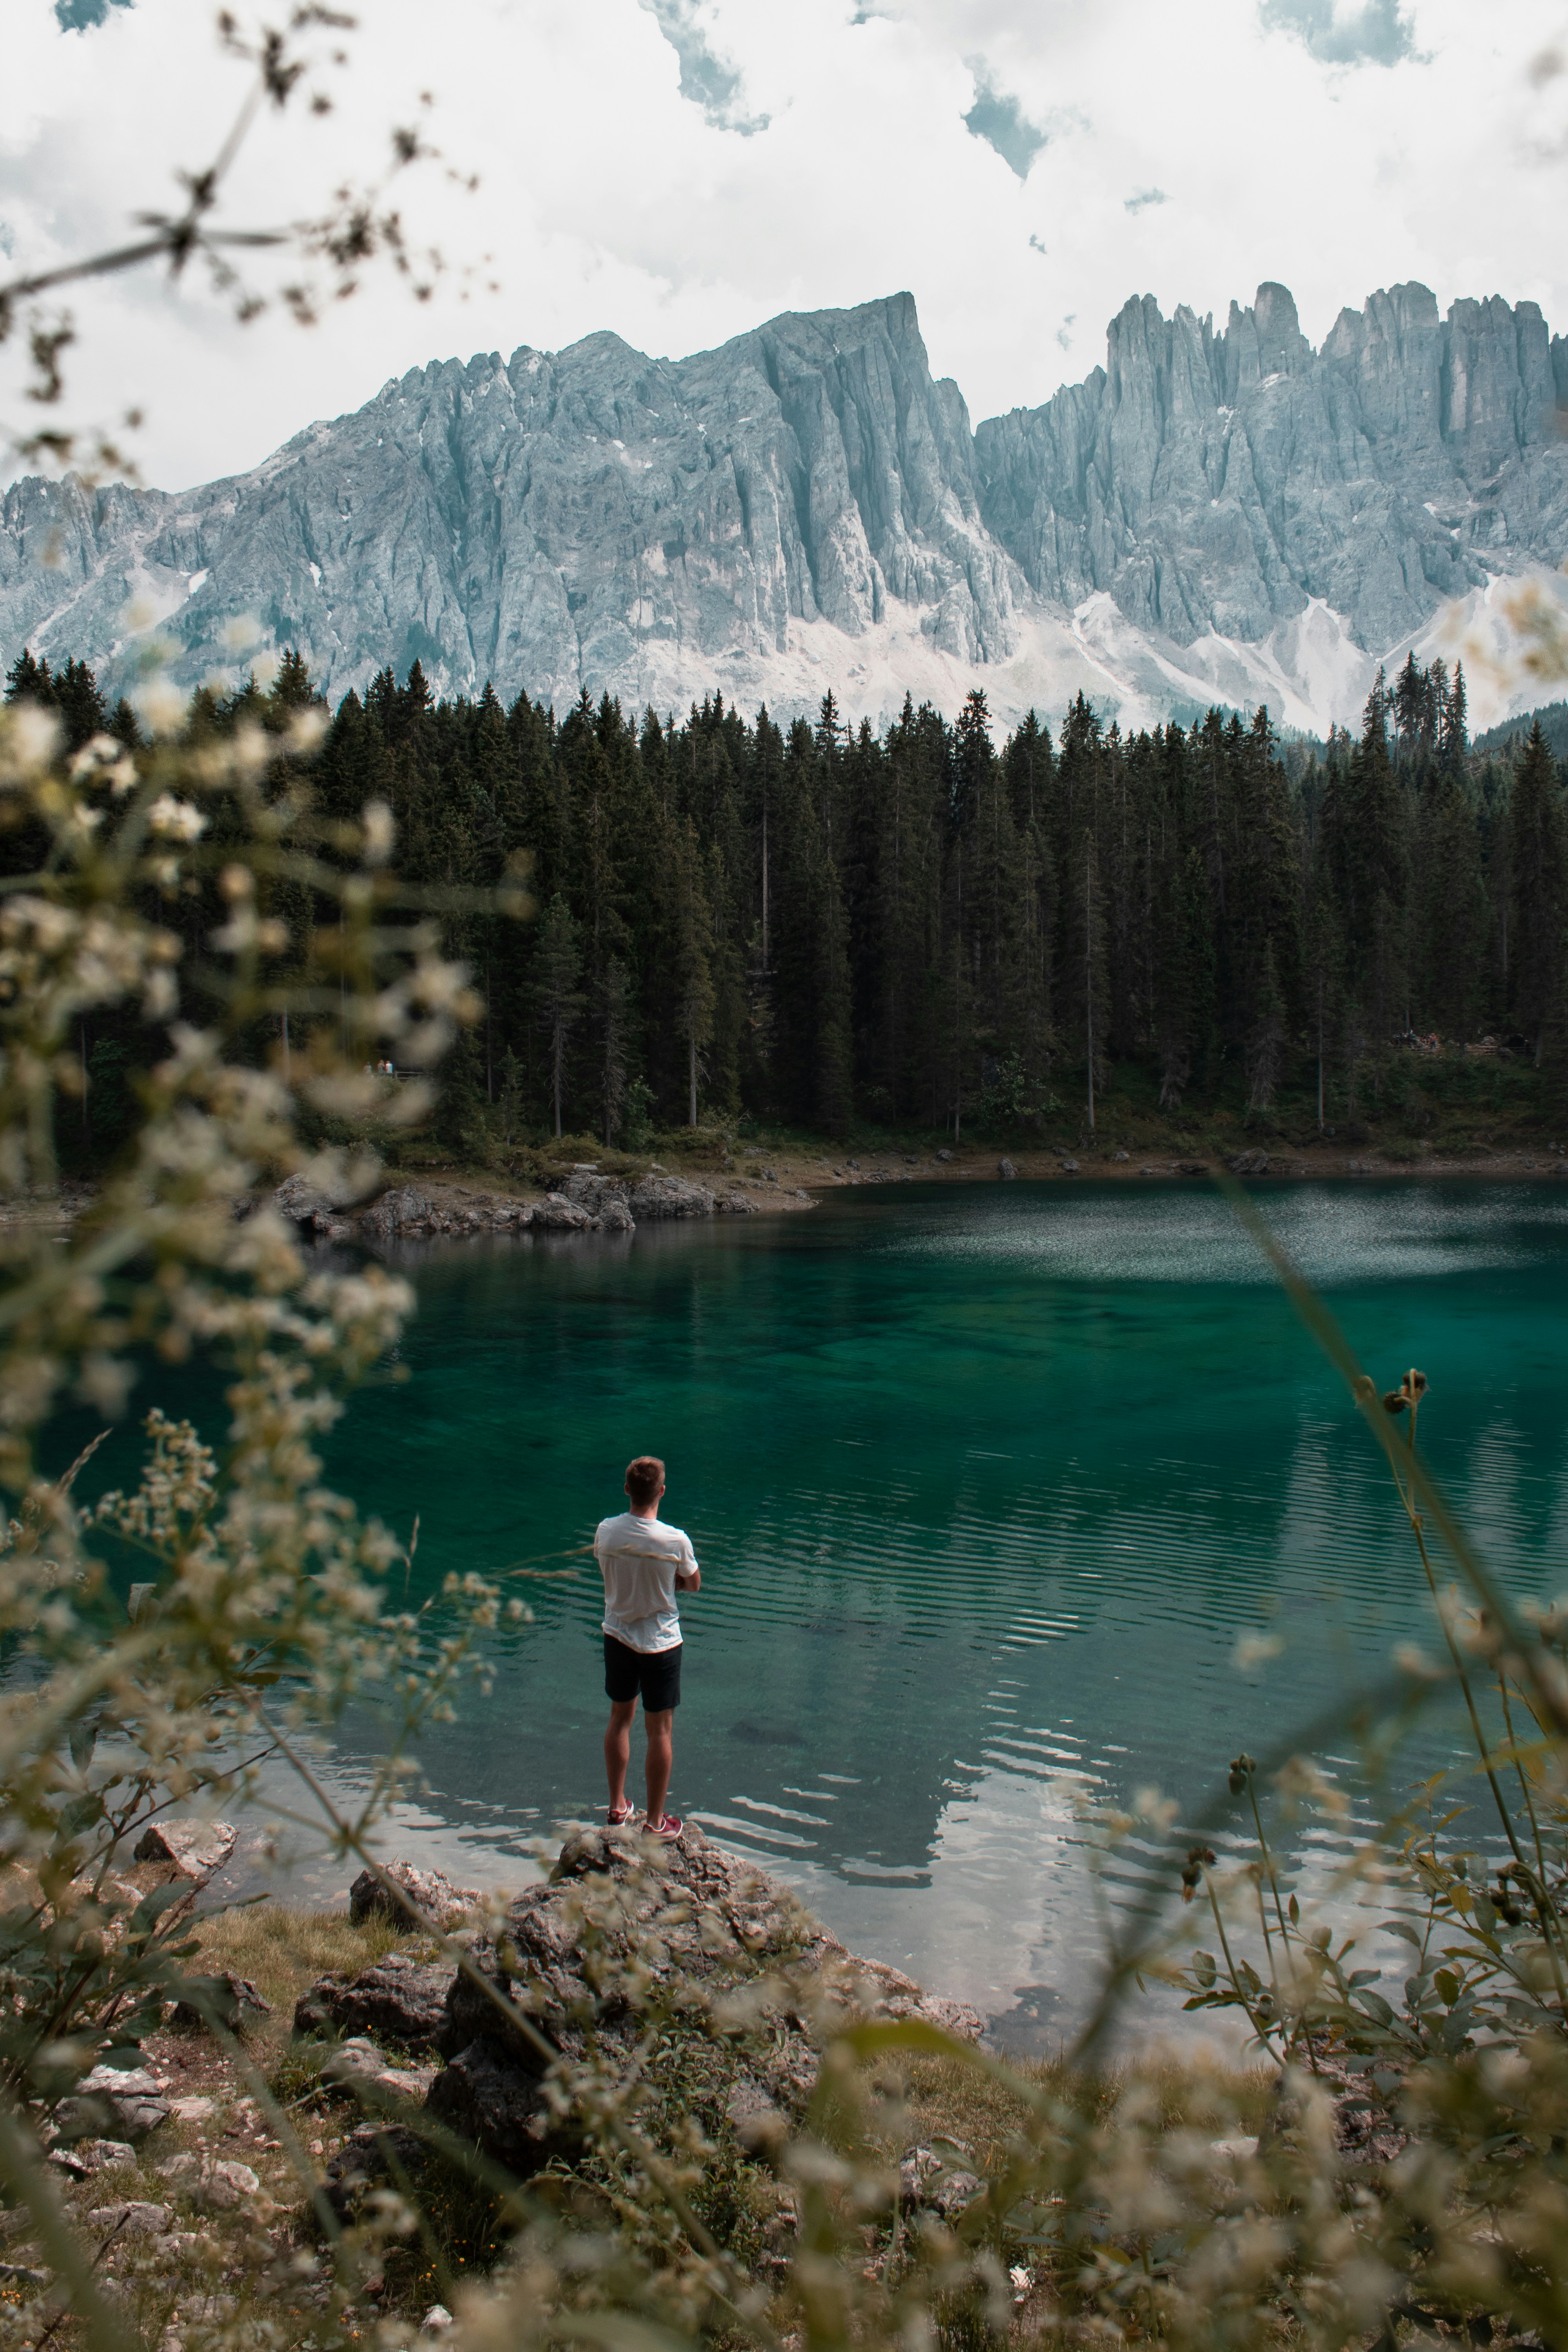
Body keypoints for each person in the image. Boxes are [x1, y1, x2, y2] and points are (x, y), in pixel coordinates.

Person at [594, 1454, 700, 1840]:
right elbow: (693, 1583)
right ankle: (656, 1823)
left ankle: (617, 1807)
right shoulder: (674, 1539)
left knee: (619, 1718)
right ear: (662, 1491)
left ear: (627, 1490)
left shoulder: (606, 1531)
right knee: (660, 1732)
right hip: (661, 1644)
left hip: (617, 1636)